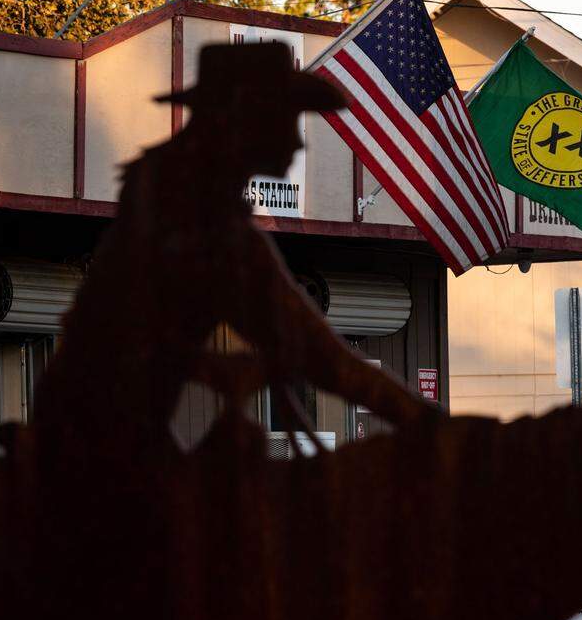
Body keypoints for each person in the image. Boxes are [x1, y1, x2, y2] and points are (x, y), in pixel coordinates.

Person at [28, 42, 438, 463]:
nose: (298, 143)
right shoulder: (208, 232)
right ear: (246, 122)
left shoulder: (165, 208)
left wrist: (204, 365)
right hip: (104, 458)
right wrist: (429, 422)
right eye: (287, 120)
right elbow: (317, 353)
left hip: (96, 441)